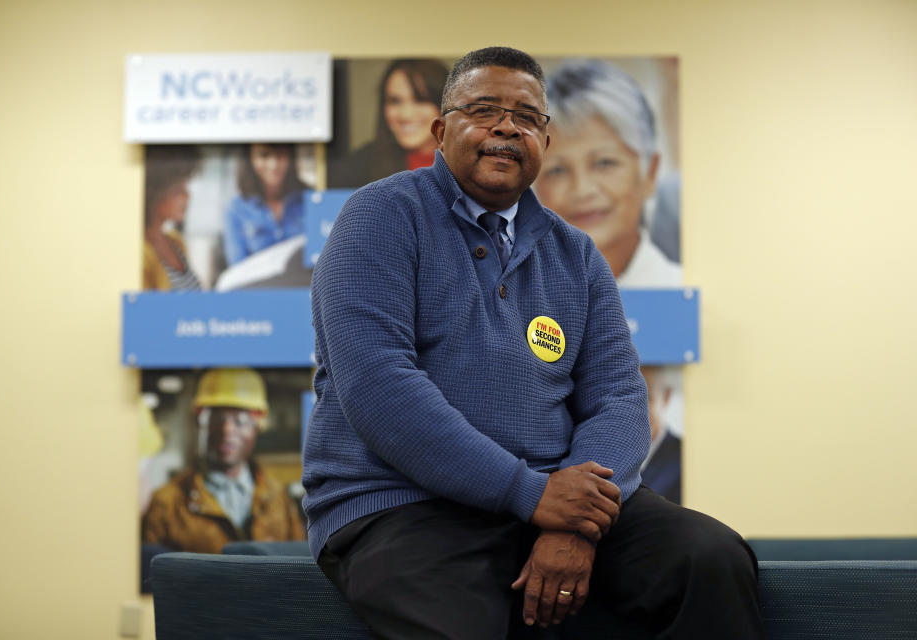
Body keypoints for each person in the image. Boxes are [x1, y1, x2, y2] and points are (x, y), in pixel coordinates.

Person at [303, 47, 761, 639]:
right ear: (442, 131)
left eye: (526, 116)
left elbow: (619, 399)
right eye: (484, 109)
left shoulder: (577, 255)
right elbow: (378, 386)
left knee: (710, 558)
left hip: (555, 498)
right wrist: (529, 492)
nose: (505, 126)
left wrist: (573, 524)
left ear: (545, 138)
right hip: (405, 505)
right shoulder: (380, 216)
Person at [534, 59, 681, 287]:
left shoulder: (683, 292)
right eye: (557, 170)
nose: (582, 190)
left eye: (604, 163)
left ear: (649, 173)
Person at [142, 368, 305, 553]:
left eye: (240, 420)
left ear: (258, 427)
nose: (227, 430)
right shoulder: (167, 503)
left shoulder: (278, 499)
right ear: (200, 424)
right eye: (216, 419)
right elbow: (152, 576)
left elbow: (299, 568)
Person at [328, 58, 448, 188]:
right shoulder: (358, 167)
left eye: (420, 100)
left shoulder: (467, 164)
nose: (405, 115)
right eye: (395, 101)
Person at [223, 143, 309, 266]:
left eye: (281, 154)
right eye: (264, 155)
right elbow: (237, 268)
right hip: (257, 284)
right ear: (250, 159)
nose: (274, 164)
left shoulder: (311, 200)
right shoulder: (235, 210)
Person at [142, 145, 203, 291]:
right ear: (154, 195)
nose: (187, 196)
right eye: (177, 190)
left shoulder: (176, 241)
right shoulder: (142, 252)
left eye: (185, 187)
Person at [640, 366, 682, 504]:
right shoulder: (604, 454)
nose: (635, 410)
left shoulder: (684, 458)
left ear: (666, 396)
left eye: (647, 398)